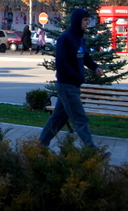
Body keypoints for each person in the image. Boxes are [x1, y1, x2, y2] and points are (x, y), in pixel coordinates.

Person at [39, 8, 105, 150]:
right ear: (77, 21)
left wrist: (95, 67)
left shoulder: (80, 38)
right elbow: (61, 62)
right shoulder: (66, 38)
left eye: (89, 20)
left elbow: (85, 56)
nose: (88, 23)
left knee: (58, 119)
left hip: (73, 85)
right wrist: (74, 75)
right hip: (67, 84)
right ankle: (92, 151)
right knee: (80, 118)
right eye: (85, 20)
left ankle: (38, 147)